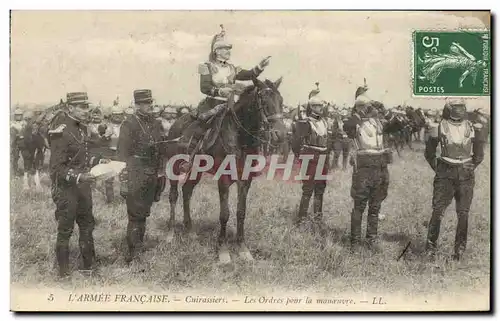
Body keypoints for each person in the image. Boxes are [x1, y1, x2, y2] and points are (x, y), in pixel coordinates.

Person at [179, 25, 271, 171]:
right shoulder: (206, 66)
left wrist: (260, 66)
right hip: (212, 104)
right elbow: (205, 87)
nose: (228, 52)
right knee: (202, 124)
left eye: (229, 49)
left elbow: (249, 74)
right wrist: (221, 92)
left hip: (229, 105)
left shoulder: (233, 68)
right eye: (225, 49)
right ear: (216, 51)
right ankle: (189, 158)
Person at [48, 92, 110, 278]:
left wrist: (99, 160)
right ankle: (64, 274)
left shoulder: (82, 129)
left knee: (87, 225)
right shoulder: (60, 131)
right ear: (70, 108)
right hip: (67, 189)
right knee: (65, 229)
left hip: (82, 188)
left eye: (87, 106)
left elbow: (81, 157)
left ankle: (88, 268)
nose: (86, 110)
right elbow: (56, 168)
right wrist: (79, 177)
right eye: (82, 107)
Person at [424, 98, 486, 261]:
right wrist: (438, 168)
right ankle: (430, 248)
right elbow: (429, 153)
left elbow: (479, 154)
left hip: (465, 174)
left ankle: (459, 250)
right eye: (456, 107)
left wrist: (471, 166)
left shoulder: (473, 127)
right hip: (445, 171)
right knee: (438, 211)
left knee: (463, 213)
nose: (459, 110)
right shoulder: (438, 127)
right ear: (449, 108)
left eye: (461, 107)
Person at [117, 89, 165, 263]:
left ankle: (138, 246)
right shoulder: (129, 124)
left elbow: (160, 147)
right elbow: (121, 154)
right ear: (137, 105)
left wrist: (160, 174)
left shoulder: (154, 122)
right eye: (146, 103)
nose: (150, 106)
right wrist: (124, 180)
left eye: (151, 102)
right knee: (135, 215)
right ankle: (133, 254)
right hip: (135, 172)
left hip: (151, 172)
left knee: (144, 213)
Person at [343, 82, 392, 252]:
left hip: (379, 167)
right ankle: (355, 242)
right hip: (363, 168)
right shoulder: (354, 122)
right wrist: (359, 113)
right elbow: (347, 126)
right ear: (359, 108)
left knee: (375, 206)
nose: (369, 109)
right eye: (365, 107)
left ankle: (371, 239)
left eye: (369, 106)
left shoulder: (377, 122)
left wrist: (385, 111)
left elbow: (394, 126)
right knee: (359, 206)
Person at [292, 83, 331, 224]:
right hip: (309, 157)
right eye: (316, 106)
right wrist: (301, 158)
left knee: (320, 187)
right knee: (308, 188)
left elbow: (328, 141)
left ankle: (317, 217)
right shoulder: (305, 123)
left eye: (320, 106)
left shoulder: (325, 122)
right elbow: (296, 143)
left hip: (322, 157)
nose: (319, 109)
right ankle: (302, 218)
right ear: (311, 107)